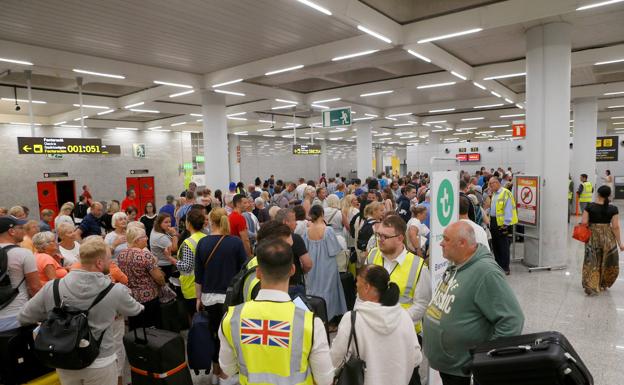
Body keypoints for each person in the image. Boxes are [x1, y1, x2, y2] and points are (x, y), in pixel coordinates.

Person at [19, 237, 143, 385]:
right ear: (99, 262)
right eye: (110, 259)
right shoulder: (115, 291)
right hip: (101, 359)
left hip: (65, 357)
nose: (112, 262)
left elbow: (24, 316)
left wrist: (53, 313)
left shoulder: (53, 287)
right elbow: (136, 309)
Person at [218, 239, 334, 385]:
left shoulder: (232, 318)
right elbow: (325, 379)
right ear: (292, 270)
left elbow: (228, 369)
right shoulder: (309, 323)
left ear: (258, 273)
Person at [423, 221, 524, 385]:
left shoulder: (487, 273)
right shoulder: (457, 263)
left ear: (462, 243)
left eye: (446, 239)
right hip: (449, 366)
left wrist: (486, 357)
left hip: (464, 371)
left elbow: (513, 319)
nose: (441, 243)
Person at [331, 265, 421, 385]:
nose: (356, 286)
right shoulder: (404, 316)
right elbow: (416, 358)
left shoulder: (353, 320)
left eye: (357, 282)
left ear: (367, 287)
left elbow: (334, 360)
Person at [194, 208, 247, 379]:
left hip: (209, 296)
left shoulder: (202, 243)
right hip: (231, 296)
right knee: (230, 334)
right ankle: (229, 370)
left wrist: (197, 297)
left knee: (214, 333)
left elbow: (198, 275)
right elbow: (243, 273)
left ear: (210, 221)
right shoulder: (236, 243)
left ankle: (216, 366)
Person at [303, 205, 347, 328]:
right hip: (327, 264)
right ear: (322, 214)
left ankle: (316, 316)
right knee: (329, 289)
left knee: (314, 289)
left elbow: (305, 248)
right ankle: (329, 318)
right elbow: (334, 250)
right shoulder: (327, 230)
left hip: (312, 264)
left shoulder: (307, 230)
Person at [117, 226, 165, 329]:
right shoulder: (145, 256)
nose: (147, 238)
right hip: (149, 299)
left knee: (136, 328)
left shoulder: (121, 255)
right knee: (153, 330)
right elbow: (159, 278)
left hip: (132, 298)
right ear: (137, 240)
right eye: (144, 236)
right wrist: (163, 283)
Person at [0, 216, 41, 332]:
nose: (24, 231)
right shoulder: (23, 253)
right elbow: (35, 288)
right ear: (11, 231)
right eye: (21, 228)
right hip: (17, 318)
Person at [581, 185, 622, 295]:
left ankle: (591, 284)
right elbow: (615, 227)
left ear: (598, 193)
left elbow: (584, 222)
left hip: (592, 236)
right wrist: (620, 243)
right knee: (606, 259)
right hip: (607, 237)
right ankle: (603, 283)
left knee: (592, 260)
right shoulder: (613, 209)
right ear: (608, 195)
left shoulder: (589, 206)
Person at [167, 208, 207, 316]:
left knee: (194, 316)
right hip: (206, 284)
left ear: (188, 223)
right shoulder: (206, 238)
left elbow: (187, 267)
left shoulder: (188, 242)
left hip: (191, 287)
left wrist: (171, 259)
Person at [488, 177, 517, 275]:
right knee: (495, 245)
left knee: (503, 246)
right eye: (489, 184)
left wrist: (505, 224)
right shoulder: (494, 194)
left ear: (497, 183)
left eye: (492, 184)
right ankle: (498, 265)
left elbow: (508, 209)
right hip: (493, 222)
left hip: (502, 224)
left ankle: (505, 267)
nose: (490, 186)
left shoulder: (505, 193)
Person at [149, 213, 178, 280]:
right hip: (165, 266)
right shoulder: (160, 237)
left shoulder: (155, 229)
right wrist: (174, 234)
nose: (169, 224)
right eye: (166, 222)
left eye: (170, 222)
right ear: (159, 223)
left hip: (160, 262)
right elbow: (174, 248)